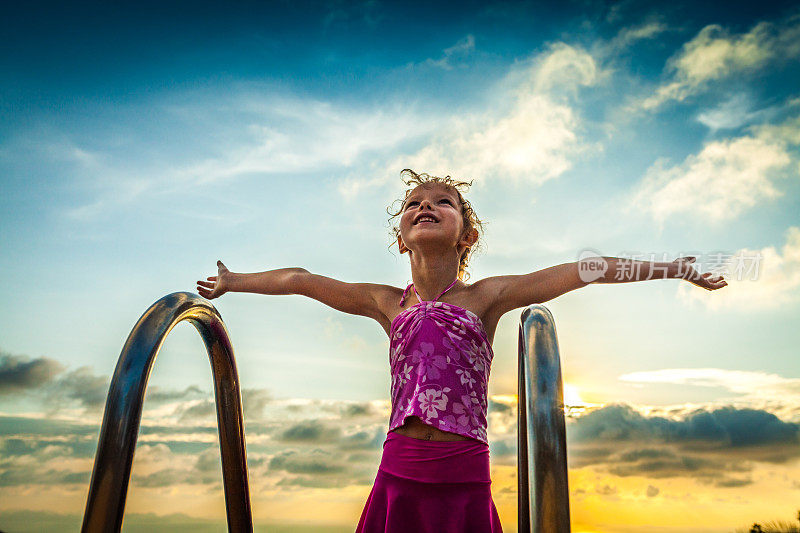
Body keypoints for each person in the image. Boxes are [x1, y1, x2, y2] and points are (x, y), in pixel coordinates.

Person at [196, 168, 728, 532]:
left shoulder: (485, 298)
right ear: (402, 236)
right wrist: (235, 281)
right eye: (414, 204)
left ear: (465, 234)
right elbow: (301, 279)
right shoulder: (387, 302)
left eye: (442, 202)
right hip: (400, 467)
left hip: (462, 468)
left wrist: (677, 268)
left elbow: (584, 271)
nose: (425, 206)